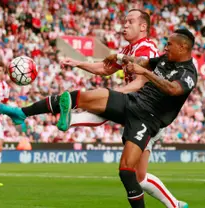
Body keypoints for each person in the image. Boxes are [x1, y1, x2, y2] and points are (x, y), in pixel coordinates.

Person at [0, 28, 197, 208]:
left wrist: (144, 72)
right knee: (78, 96)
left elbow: (172, 89)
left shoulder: (188, 73)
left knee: (127, 172)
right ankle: (23, 113)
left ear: (182, 47)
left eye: (169, 44)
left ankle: (69, 119)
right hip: (133, 102)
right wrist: (119, 57)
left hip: (148, 118)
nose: (165, 47)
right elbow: (142, 61)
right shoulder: (164, 59)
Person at [61, 9, 181, 208]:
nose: (124, 25)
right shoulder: (127, 51)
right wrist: (77, 63)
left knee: (106, 105)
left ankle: (69, 120)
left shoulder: (147, 48)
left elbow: (141, 83)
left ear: (143, 27)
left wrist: (115, 95)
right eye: (124, 21)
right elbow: (105, 68)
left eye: (130, 21)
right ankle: (176, 205)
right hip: (135, 111)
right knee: (139, 177)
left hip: (147, 114)